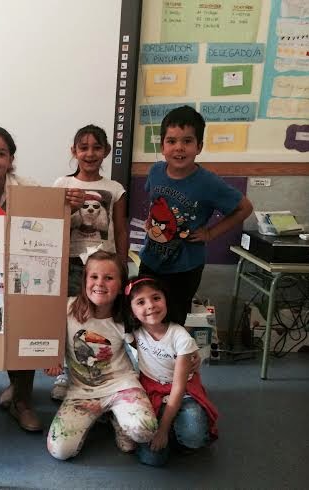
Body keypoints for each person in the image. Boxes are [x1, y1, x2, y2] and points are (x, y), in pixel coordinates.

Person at [0, 125, 59, 431]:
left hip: (21, 273)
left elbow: (49, 222)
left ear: (10, 160)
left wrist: (66, 202)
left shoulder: (29, 189)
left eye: (1, 154)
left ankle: (22, 400)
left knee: (23, 329)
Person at [139, 105, 253, 326]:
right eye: (171, 141)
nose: (179, 148)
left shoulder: (208, 182)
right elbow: (155, 200)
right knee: (142, 317)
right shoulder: (155, 171)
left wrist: (210, 233)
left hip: (185, 267)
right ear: (162, 146)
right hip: (151, 259)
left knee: (172, 322)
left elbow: (245, 208)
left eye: (187, 141)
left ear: (199, 146)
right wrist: (151, 221)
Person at [45, 250, 157, 460]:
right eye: (94, 276)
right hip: (82, 391)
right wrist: (52, 359)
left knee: (144, 430)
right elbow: (50, 337)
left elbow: (151, 341)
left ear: (121, 285)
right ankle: (100, 416)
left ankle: (116, 418)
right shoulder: (67, 308)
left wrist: (181, 354)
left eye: (109, 278)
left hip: (121, 385)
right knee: (60, 451)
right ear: (84, 281)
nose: (100, 283)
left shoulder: (126, 316)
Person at [51, 124, 129, 401]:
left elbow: (121, 229)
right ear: (74, 151)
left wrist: (122, 263)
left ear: (106, 151)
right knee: (70, 317)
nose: (90, 153)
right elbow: (50, 223)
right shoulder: (62, 185)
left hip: (104, 266)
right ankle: (65, 372)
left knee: (98, 319)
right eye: (83, 148)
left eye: (96, 147)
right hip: (70, 262)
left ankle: (95, 369)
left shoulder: (114, 188)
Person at [125, 275, 218, 466]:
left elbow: (178, 388)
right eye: (141, 302)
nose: (150, 305)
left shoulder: (180, 337)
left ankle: (172, 429)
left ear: (166, 300)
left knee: (194, 437)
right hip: (151, 391)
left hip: (183, 392)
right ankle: (170, 428)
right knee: (152, 459)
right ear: (132, 311)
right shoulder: (134, 332)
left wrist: (162, 430)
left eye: (156, 298)